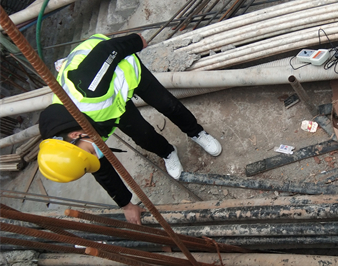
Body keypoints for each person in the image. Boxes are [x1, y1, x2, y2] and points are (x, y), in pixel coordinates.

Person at [37, 33, 222, 225]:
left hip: (122, 71)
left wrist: (137, 41)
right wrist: (126, 204)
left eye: (92, 151)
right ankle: (168, 152)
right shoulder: (68, 143)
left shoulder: (88, 88)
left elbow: (108, 50)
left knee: (168, 105)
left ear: (76, 135)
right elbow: (100, 169)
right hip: (110, 106)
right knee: (143, 137)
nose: (97, 153)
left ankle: (196, 132)